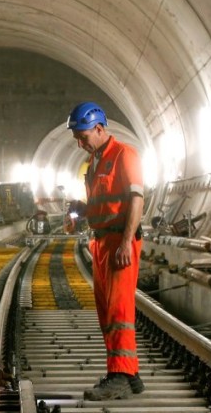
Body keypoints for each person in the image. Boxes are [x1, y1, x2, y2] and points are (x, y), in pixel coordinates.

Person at [66, 101, 146, 401]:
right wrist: (83, 210)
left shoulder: (125, 155)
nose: (79, 143)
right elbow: (106, 204)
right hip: (101, 241)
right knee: (106, 311)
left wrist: (126, 241)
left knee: (118, 311)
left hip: (118, 242)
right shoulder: (95, 162)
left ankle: (120, 377)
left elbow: (136, 200)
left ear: (99, 129)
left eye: (83, 136)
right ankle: (130, 372)